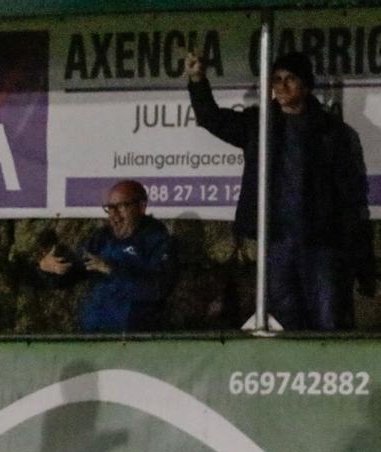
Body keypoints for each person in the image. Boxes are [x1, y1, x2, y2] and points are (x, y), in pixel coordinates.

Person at [185, 49, 374, 330]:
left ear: (306, 85)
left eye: (290, 79)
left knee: (329, 322)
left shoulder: (334, 133)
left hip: (321, 245)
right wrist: (197, 78)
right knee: (285, 324)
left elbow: (353, 199)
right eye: (276, 79)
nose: (281, 86)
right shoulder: (258, 124)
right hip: (276, 244)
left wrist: (363, 262)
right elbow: (211, 118)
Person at [37, 180, 177, 333]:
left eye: (121, 207)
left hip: (135, 339)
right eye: (110, 208)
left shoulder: (157, 240)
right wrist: (48, 268)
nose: (113, 215)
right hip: (93, 337)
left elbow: (157, 289)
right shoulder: (102, 238)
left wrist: (111, 269)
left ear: (141, 207)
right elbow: (69, 274)